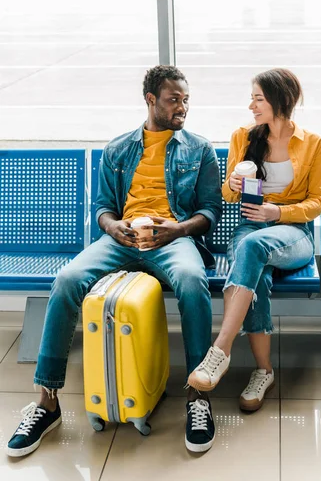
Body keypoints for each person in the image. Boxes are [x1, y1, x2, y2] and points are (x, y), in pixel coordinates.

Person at [7, 65, 222, 457]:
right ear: (151, 100)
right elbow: (103, 208)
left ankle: (197, 395)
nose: (183, 108)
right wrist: (113, 227)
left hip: (171, 239)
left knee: (192, 280)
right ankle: (47, 401)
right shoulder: (118, 148)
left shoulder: (199, 149)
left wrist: (175, 230)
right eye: (175, 99)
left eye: (187, 100)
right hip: (122, 239)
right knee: (68, 278)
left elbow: (210, 211)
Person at [188, 68, 321, 411]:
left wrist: (277, 213)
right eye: (252, 97)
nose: (251, 105)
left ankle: (220, 349)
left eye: (258, 98)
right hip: (250, 228)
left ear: (281, 101)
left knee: (252, 248)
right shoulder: (243, 137)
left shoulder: (312, 144)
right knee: (258, 275)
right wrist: (232, 186)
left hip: (294, 234)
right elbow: (228, 195)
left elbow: (318, 201)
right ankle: (264, 371)